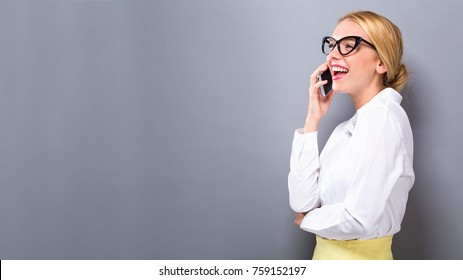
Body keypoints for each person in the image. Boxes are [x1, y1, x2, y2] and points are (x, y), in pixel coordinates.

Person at [288, 11, 415, 260]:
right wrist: (312, 120)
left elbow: (359, 219)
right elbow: (301, 202)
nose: (333, 54)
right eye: (332, 45)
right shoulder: (345, 130)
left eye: (348, 45)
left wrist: (308, 220)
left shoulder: (384, 117)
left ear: (382, 63)